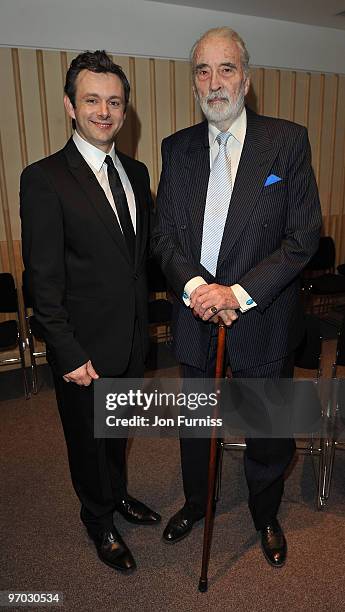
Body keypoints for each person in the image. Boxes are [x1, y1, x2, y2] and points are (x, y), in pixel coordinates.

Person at [152, 27, 322, 567]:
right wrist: (200, 290)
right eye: (203, 70)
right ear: (194, 82)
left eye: (226, 69)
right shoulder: (175, 149)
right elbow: (164, 237)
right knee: (195, 421)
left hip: (262, 316)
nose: (214, 81)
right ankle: (199, 501)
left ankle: (265, 511)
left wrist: (239, 293)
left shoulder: (287, 142)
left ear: (246, 79)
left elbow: (303, 237)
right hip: (196, 314)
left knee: (267, 429)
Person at [20, 50, 160, 573]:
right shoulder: (44, 178)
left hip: (129, 339)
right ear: (70, 106)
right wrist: (68, 350)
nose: (105, 111)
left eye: (115, 101)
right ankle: (97, 517)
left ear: (125, 110)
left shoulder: (138, 171)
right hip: (81, 348)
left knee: (118, 430)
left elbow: (137, 262)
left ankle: (118, 495)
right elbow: (43, 280)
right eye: (92, 100)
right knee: (88, 438)